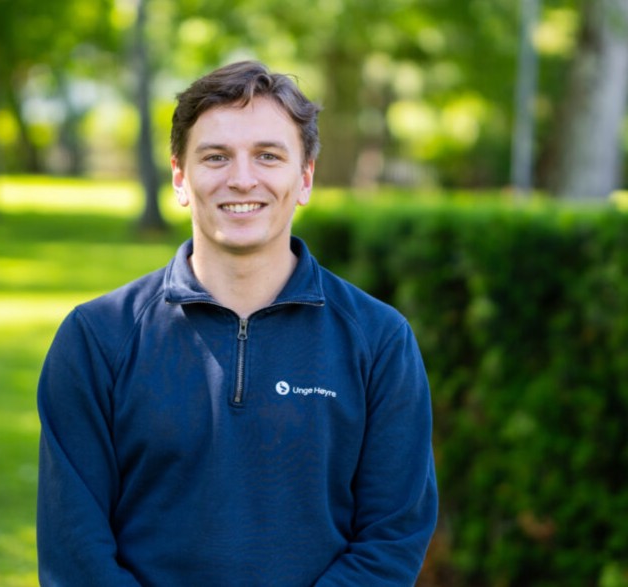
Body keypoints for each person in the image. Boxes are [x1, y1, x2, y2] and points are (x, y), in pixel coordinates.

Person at [36, 60, 438, 586]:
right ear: (180, 177)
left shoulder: (379, 341)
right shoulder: (97, 339)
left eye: (268, 156)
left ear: (305, 178)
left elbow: (392, 537)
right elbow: (75, 552)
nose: (242, 179)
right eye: (216, 157)